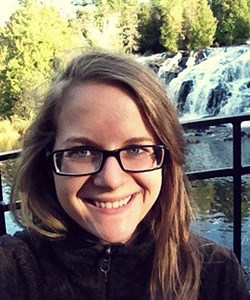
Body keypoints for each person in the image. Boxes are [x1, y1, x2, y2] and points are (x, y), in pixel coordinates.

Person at [0, 51, 249, 300]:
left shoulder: (216, 273)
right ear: (48, 161)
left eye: (136, 149)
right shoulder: (13, 271)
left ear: (166, 160)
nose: (111, 179)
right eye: (82, 151)